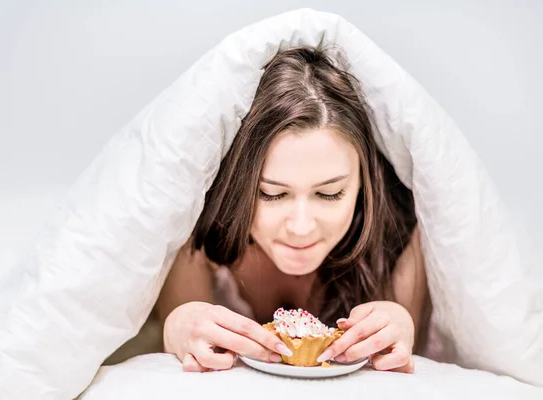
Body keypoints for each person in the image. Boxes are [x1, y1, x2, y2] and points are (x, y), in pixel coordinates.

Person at [155, 46, 431, 374]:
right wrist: (177, 326)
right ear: (239, 185)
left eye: (330, 193)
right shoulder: (197, 237)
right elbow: (182, 370)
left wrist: (400, 322)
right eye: (272, 194)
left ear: (363, 183)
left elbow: (395, 372)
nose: (301, 228)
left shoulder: (399, 235)